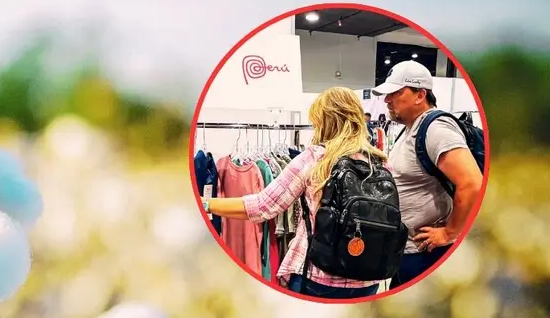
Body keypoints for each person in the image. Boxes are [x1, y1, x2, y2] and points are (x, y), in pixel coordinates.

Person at [202, 87, 390, 299]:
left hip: (320, 274)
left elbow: (264, 205)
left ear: (325, 121)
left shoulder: (315, 158)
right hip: (369, 276)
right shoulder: (379, 161)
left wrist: (205, 204)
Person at [371, 61, 483, 289]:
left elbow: (472, 183)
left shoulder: (436, 129)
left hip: (426, 255)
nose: (387, 100)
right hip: (408, 252)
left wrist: (450, 232)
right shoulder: (411, 127)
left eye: (395, 93)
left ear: (420, 95)